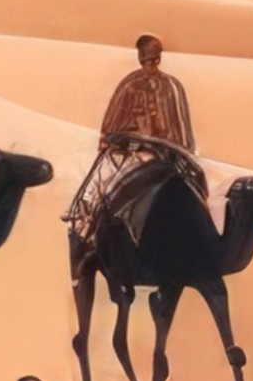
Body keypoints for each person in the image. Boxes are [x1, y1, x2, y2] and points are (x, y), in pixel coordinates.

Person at [76, 31, 199, 253]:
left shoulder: (171, 86)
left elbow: (180, 129)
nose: (150, 62)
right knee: (100, 183)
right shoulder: (129, 85)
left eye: (153, 56)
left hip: (165, 154)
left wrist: (173, 148)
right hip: (130, 153)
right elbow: (112, 124)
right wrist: (117, 140)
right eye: (146, 57)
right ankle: (88, 225)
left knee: (194, 183)